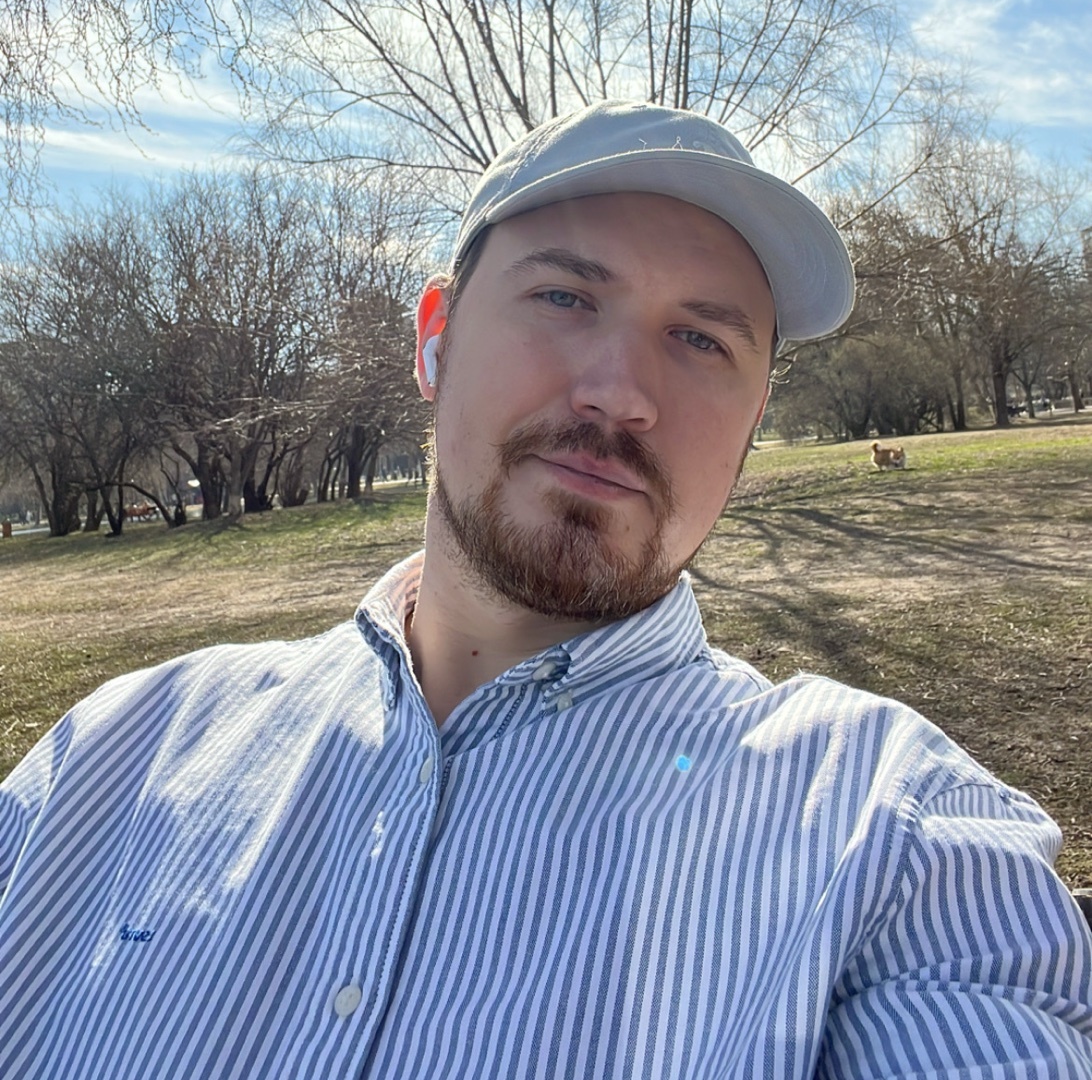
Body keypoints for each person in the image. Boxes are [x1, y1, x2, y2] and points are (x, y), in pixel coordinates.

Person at [0, 100, 1089, 1080]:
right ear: (436, 338)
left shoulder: (893, 839)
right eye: (566, 293)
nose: (621, 393)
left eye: (701, 339)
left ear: (754, 420)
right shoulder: (110, 759)